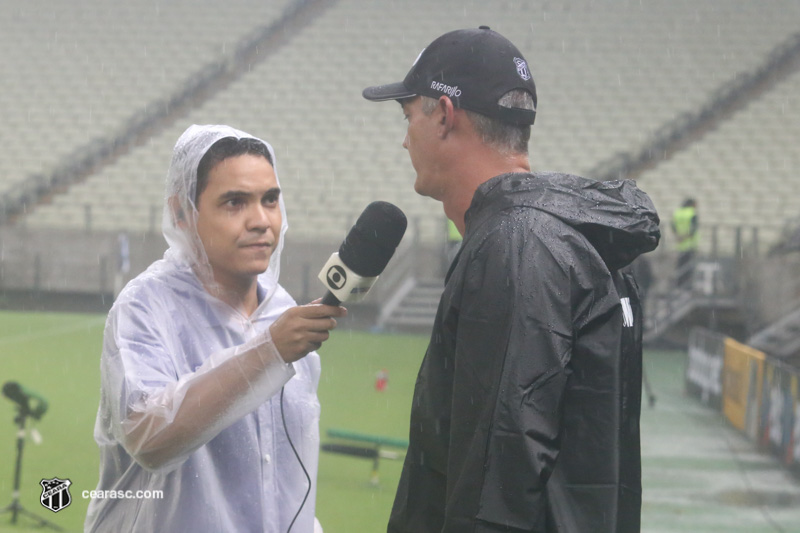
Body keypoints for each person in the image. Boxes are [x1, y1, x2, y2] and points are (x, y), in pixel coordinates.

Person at [363, 27, 660, 532]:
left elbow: (497, 485)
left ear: (443, 116)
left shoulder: (515, 246)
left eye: (409, 114)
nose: (403, 136)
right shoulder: (566, 237)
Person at [84, 124, 346, 533]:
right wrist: (268, 353)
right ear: (182, 212)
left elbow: (285, 474)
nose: (261, 220)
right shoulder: (146, 308)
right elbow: (148, 437)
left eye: (270, 200)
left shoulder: (284, 313)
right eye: (235, 202)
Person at [671, 198, 699, 288]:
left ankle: (679, 284)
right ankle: (687, 286)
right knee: (688, 268)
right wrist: (686, 237)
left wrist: (678, 236)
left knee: (680, 266)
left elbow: (673, 226)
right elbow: (693, 229)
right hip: (690, 244)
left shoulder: (677, 213)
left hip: (679, 244)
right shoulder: (692, 213)